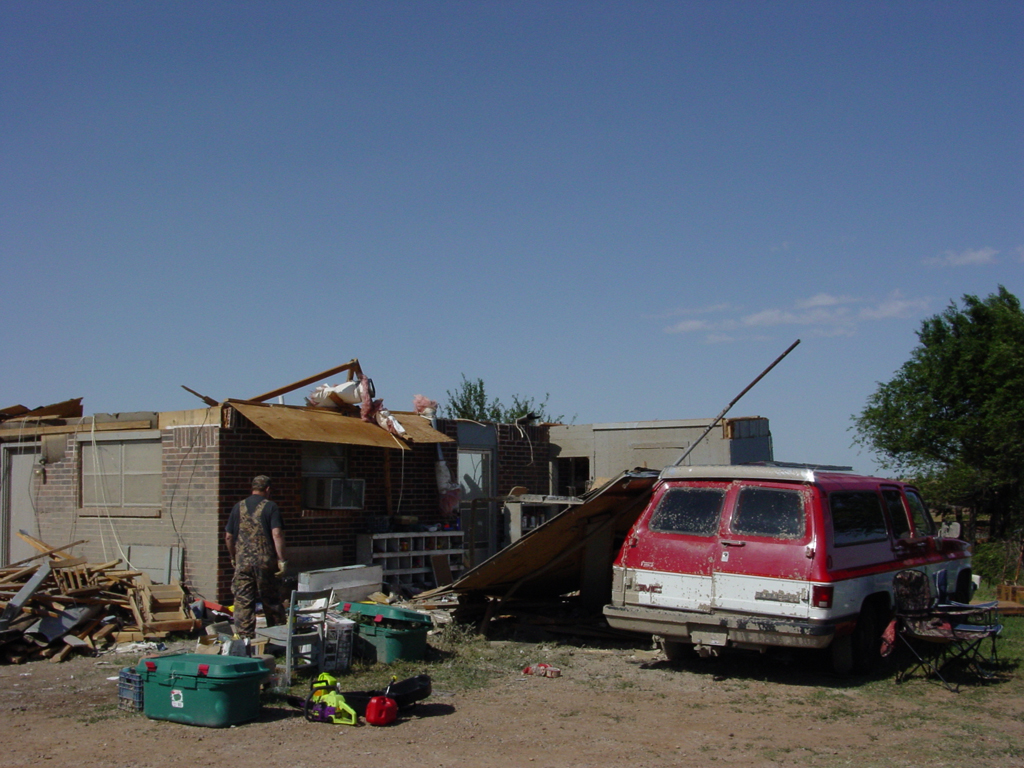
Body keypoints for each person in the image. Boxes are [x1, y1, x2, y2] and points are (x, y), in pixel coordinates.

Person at [224, 475, 287, 638]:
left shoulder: (238, 507)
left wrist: (233, 556)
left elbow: (229, 536)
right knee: (271, 600)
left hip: (243, 563)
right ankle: (278, 639)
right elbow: (277, 534)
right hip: (265, 563)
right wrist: (281, 559)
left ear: (252, 488)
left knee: (243, 602)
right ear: (267, 489)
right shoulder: (271, 507)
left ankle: (245, 641)